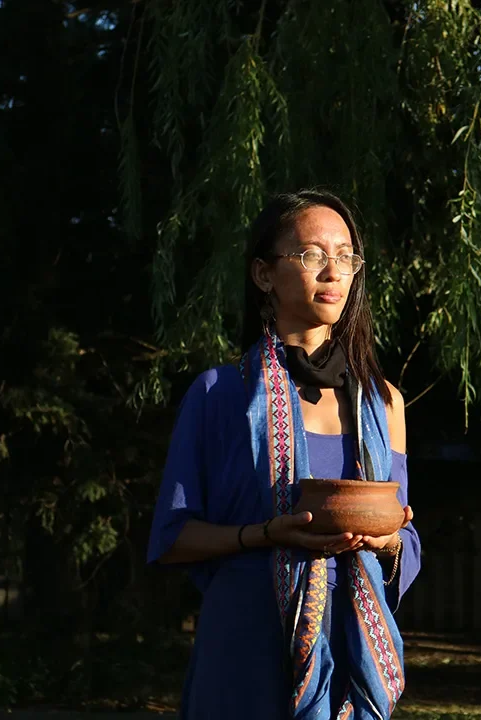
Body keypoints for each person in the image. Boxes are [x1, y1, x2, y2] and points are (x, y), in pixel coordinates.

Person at [147, 189, 421, 719]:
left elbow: (405, 538)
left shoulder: (384, 403)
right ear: (263, 274)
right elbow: (172, 537)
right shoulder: (218, 395)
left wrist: (387, 539)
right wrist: (265, 534)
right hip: (244, 647)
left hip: (348, 648)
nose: (334, 272)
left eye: (346, 256)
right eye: (312, 254)